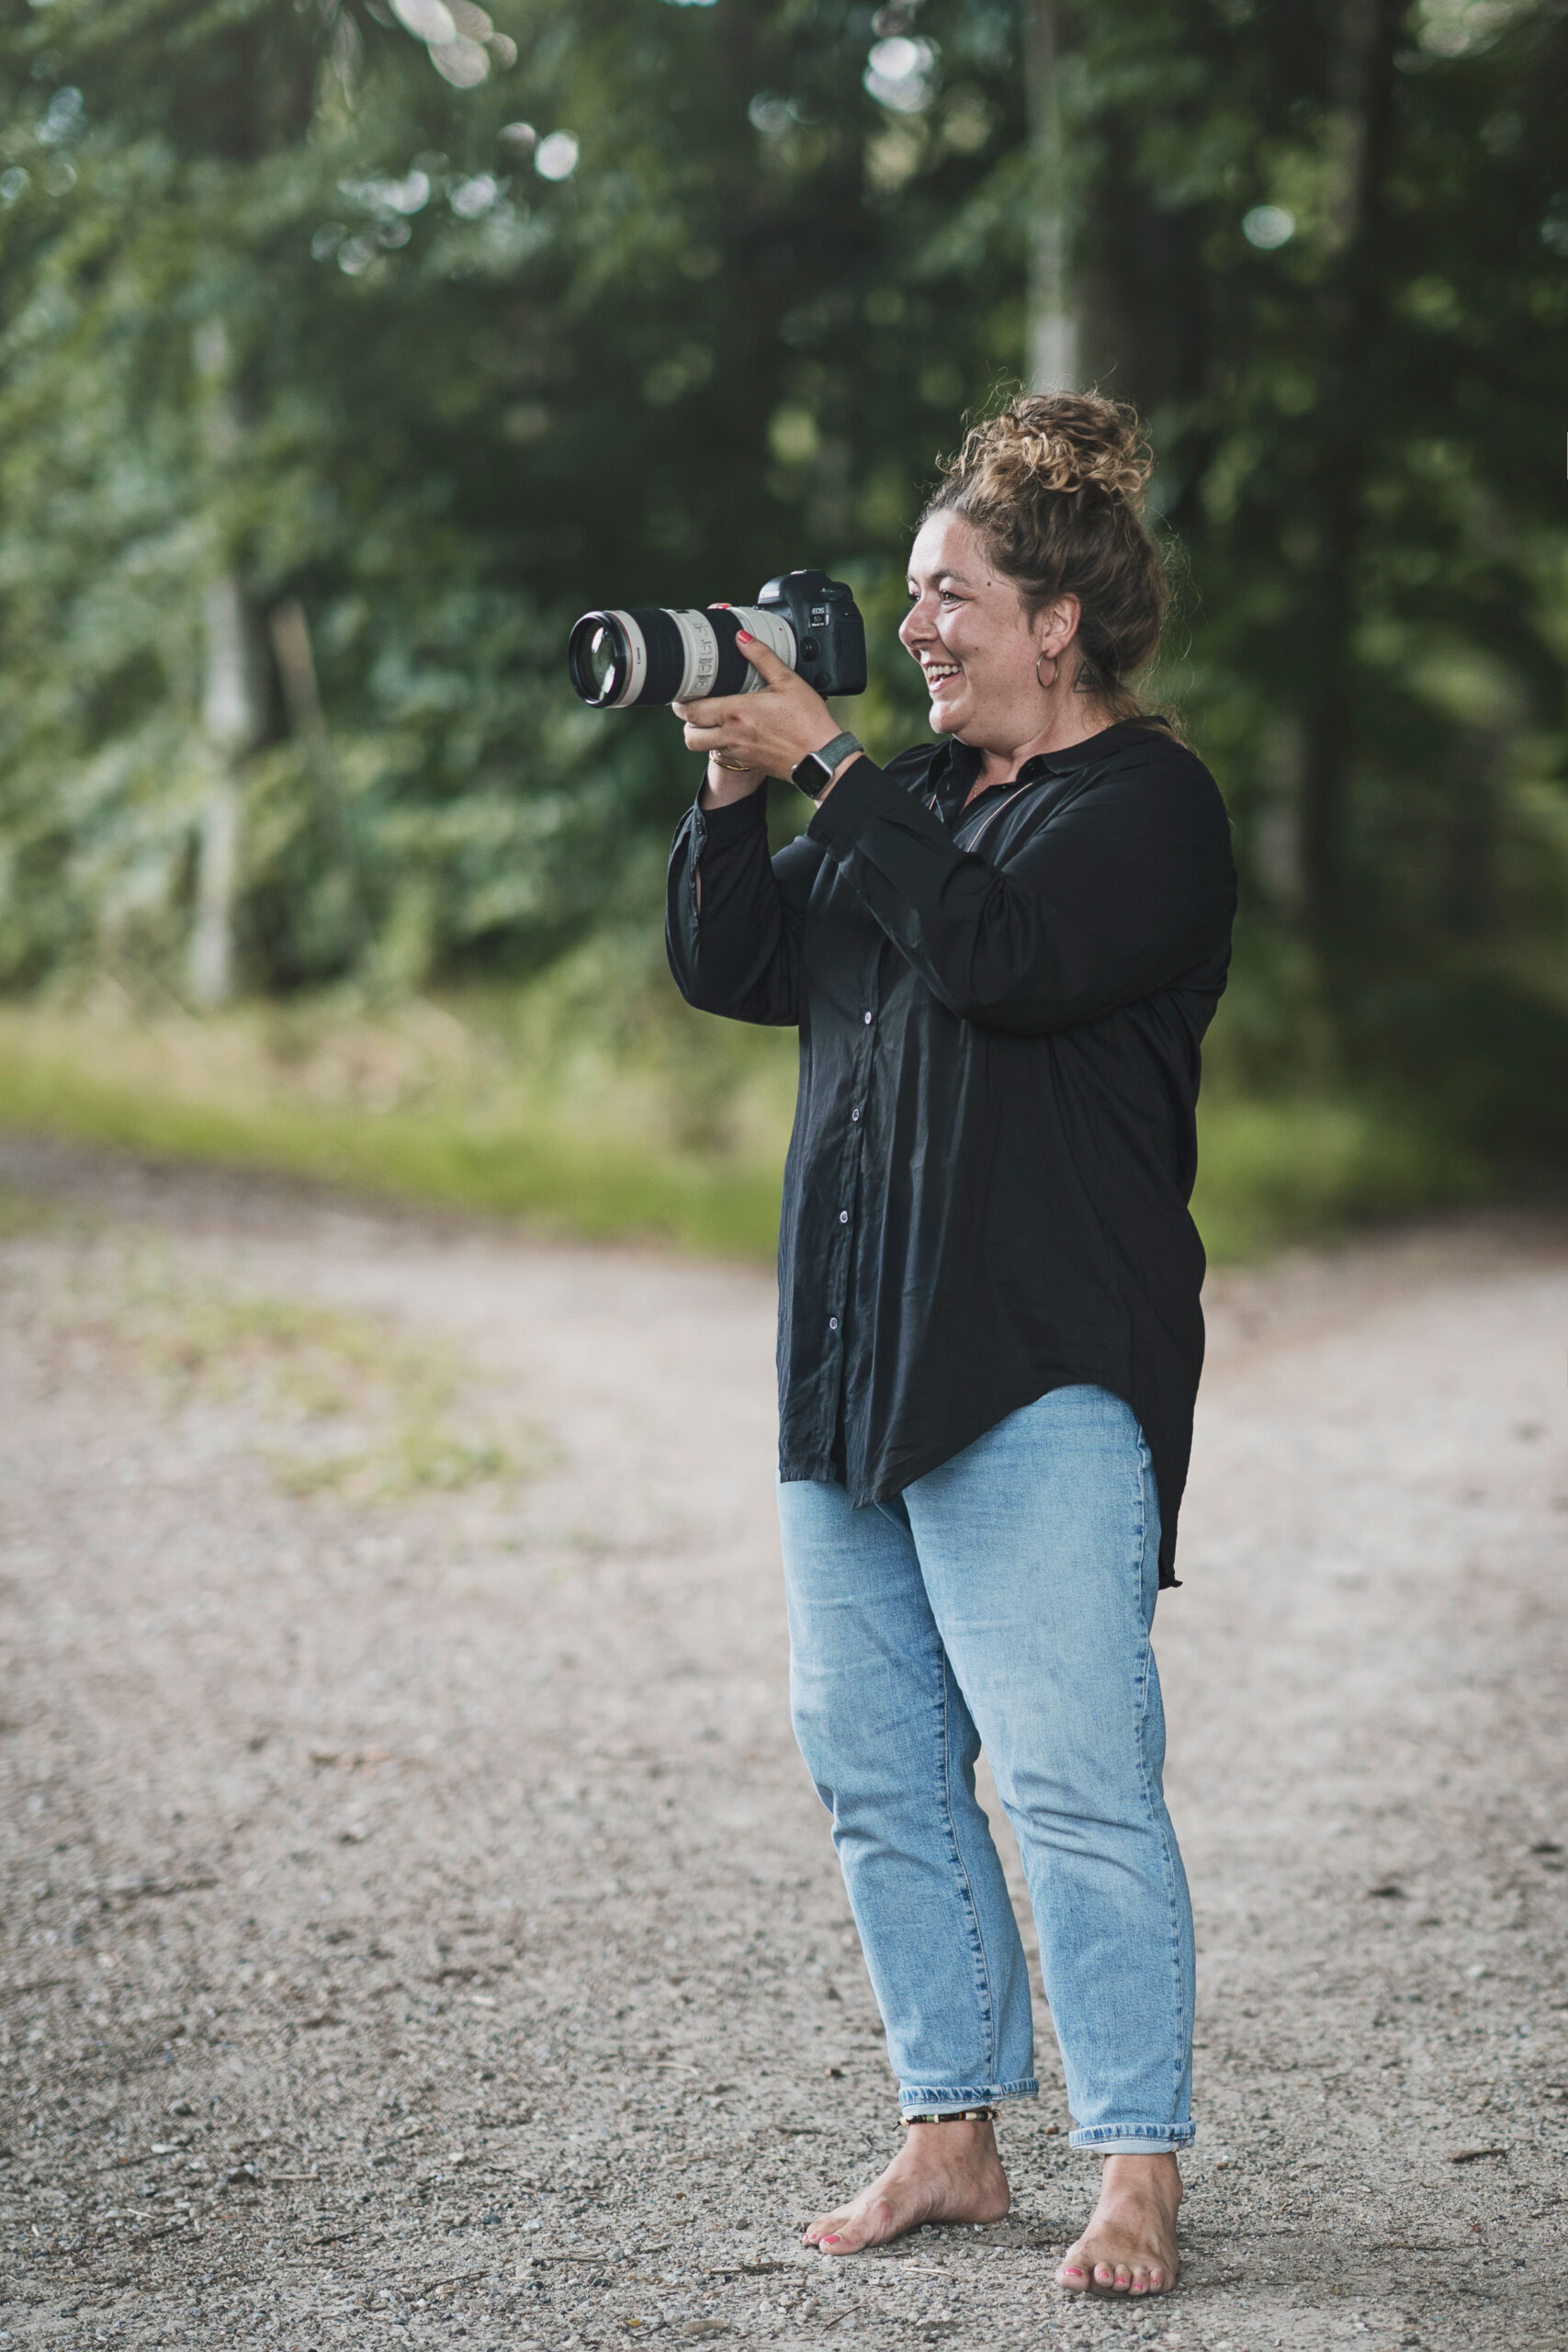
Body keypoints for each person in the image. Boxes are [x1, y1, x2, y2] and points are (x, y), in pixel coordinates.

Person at [664, 392, 1235, 2301]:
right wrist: (738, 785)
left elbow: (994, 956)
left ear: (1054, 621)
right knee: (878, 1763)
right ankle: (951, 2127)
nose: (912, 627)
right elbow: (737, 968)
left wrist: (831, 760)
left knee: (1073, 1771)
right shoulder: (903, 803)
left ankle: (1133, 2161)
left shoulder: (1143, 808)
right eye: (910, 594)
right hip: (848, 1362)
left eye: (947, 592)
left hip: (1036, 1365)